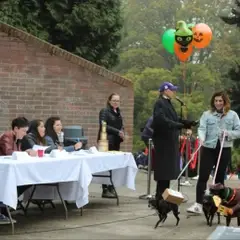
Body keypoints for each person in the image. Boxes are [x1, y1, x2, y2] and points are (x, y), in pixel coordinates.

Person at [187, 91, 240, 214]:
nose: (218, 103)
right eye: (216, 101)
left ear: (225, 102)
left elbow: (238, 131)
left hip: (224, 148)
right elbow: (201, 128)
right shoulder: (207, 114)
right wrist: (202, 137)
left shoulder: (233, 115)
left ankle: (217, 206)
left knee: (219, 178)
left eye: (220, 101)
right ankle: (198, 204)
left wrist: (228, 134)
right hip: (208, 148)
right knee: (203, 176)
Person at [151, 82, 197, 200]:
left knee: (167, 170)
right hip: (163, 140)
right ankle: (160, 196)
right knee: (164, 170)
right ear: (166, 91)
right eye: (172, 90)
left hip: (169, 140)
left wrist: (187, 123)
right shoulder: (159, 103)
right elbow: (161, 120)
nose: (174, 92)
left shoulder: (168, 103)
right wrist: (178, 125)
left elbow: (174, 118)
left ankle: (164, 195)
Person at [0, 117, 36, 223]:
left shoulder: (17, 139)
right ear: (16, 128)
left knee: (27, 180)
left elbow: (17, 153)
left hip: (9, 168)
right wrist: (26, 153)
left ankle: (5, 206)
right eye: (24, 131)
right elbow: (8, 152)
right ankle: (4, 207)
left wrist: (26, 151)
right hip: (3, 170)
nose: (25, 134)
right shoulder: (7, 136)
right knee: (22, 181)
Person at [98, 93, 124, 198]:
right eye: (114, 100)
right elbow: (104, 125)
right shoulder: (104, 111)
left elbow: (120, 125)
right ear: (109, 101)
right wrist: (118, 132)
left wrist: (122, 132)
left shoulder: (118, 112)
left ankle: (111, 186)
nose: (116, 102)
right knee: (106, 164)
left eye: (117, 101)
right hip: (106, 140)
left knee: (113, 165)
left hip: (116, 141)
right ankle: (105, 188)